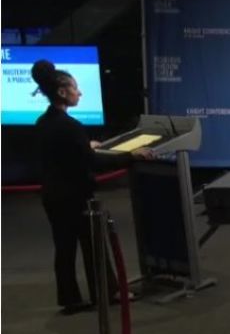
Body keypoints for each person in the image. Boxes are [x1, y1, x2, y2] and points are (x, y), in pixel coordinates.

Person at [32, 60, 152, 315]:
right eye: (75, 88)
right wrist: (131, 156)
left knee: (64, 249)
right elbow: (93, 163)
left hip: (52, 195)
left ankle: (70, 299)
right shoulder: (70, 126)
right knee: (94, 245)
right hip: (75, 196)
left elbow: (63, 154)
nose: (80, 93)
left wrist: (86, 146)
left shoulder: (43, 122)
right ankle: (107, 293)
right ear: (62, 92)